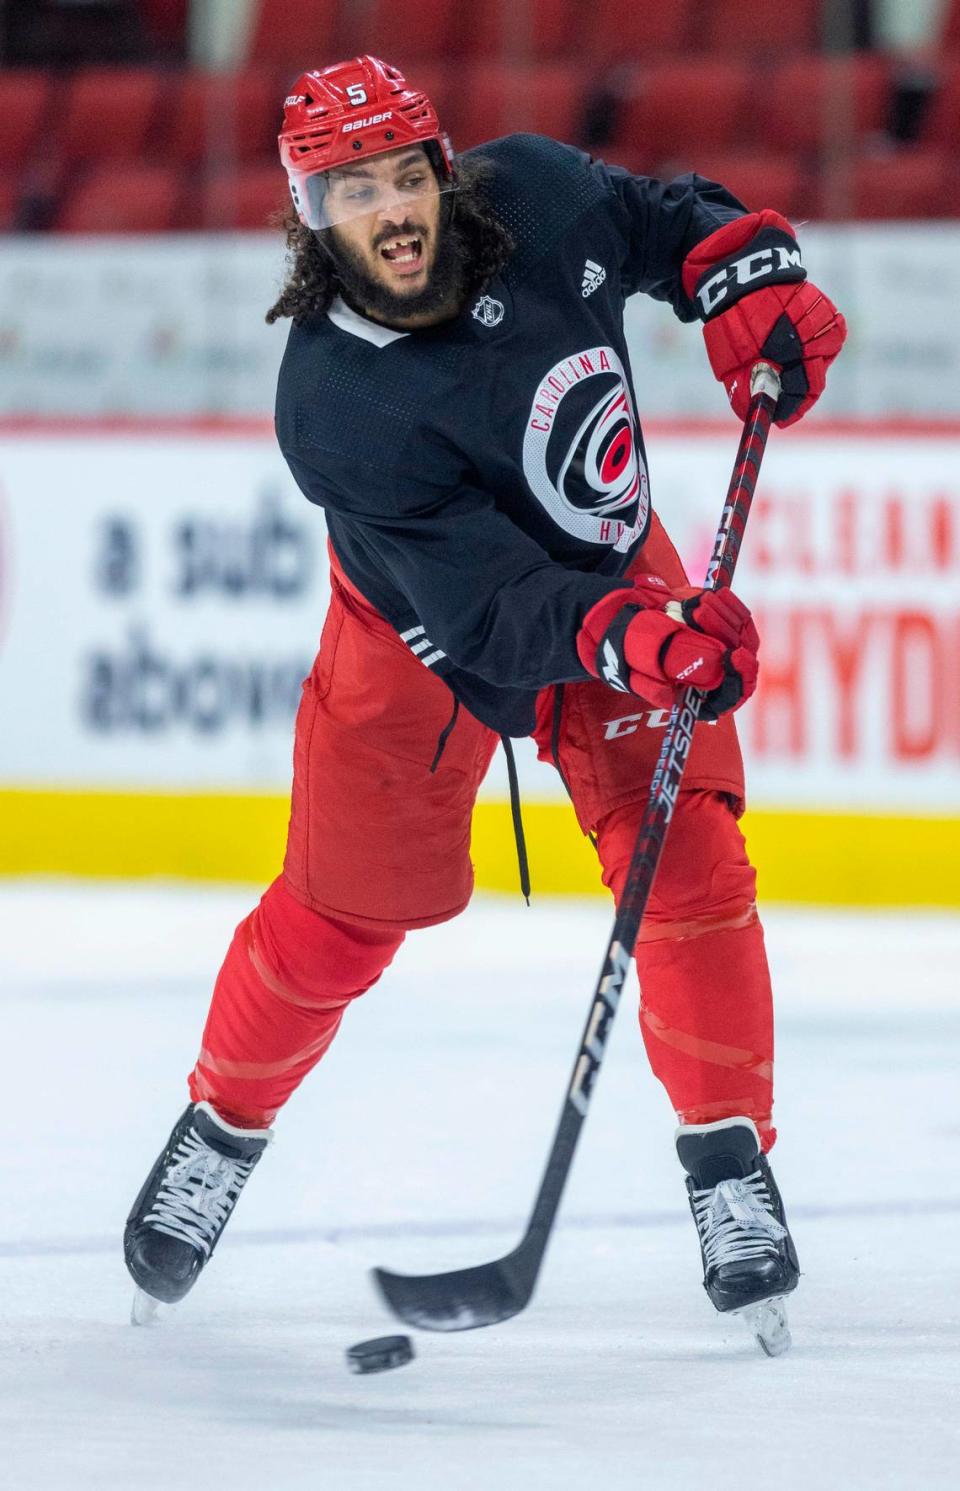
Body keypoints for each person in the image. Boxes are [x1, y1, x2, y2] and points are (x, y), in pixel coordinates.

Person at [124, 55, 845, 1336]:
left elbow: (661, 220)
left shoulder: (541, 194)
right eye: (354, 190)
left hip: (607, 574)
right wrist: (643, 638)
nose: (393, 209)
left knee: (685, 857)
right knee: (342, 917)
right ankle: (222, 1127)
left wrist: (746, 273)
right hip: (423, 632)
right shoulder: (334, 404)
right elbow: (488, 606)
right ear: (311, 218)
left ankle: (729, 1162)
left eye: (408, 175)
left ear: (445, 173)